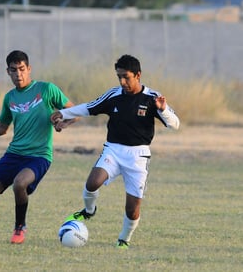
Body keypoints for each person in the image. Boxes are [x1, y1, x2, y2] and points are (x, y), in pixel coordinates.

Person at [51, 54, 180, 249]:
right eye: (119, 76)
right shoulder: (114, 95)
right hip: (113, 150)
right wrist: (64, 113)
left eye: (126, 77)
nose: (122, 81)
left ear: (138, 75)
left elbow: (175, 124)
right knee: (93, 182)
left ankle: (124, 239)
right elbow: (89, 108)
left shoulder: (153, 98)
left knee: (133, 208)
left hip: (138, 156)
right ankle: (89, 210)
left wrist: (163, 110)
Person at [0, 50, 75, 244]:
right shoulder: (10, 97)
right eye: (13, 70)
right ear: (8, 72)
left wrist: (63, 123)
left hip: (39, 156)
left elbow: (74, 111)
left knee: (20, 184)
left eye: (22, 69)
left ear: (29, 69)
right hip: (14, 155)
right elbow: (2, 128)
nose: (18, 74)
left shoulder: (46, 89)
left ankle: (20, 227)